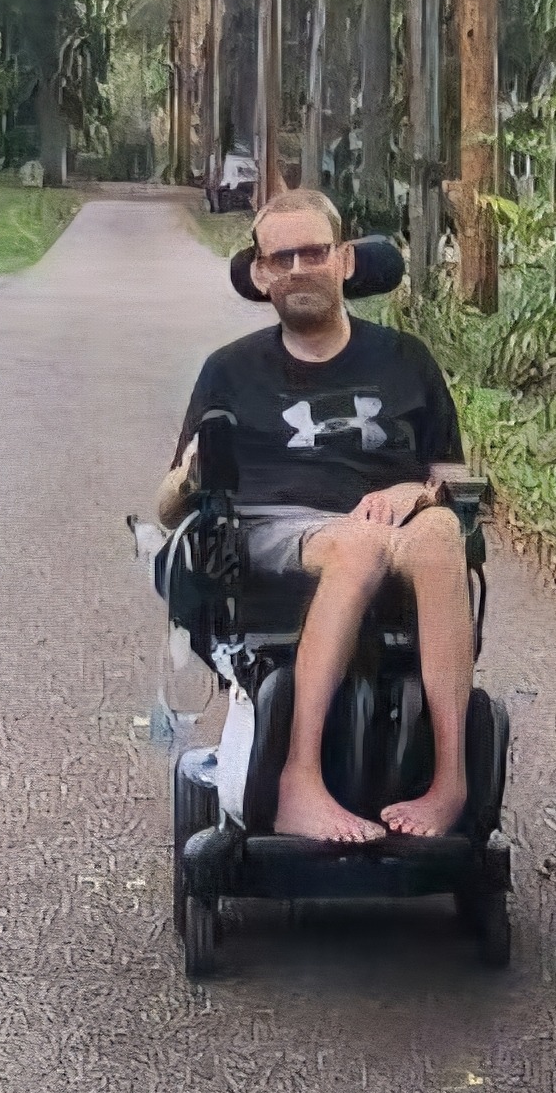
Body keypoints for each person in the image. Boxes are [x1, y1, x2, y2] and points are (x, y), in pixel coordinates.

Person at [157, 189, 474, 844]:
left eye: (315, 252)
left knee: (443, 533)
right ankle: (299, 781)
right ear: (261, 273)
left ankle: (450, 782)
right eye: (283, 257)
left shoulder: (406, 360)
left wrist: (416, 494)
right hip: (272, 528)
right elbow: (167, 507)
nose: (300, 268)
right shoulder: (230, 371)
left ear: (345, 260)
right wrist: (189, 478)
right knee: (358, 545)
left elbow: (457, 480)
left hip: (392, 521)